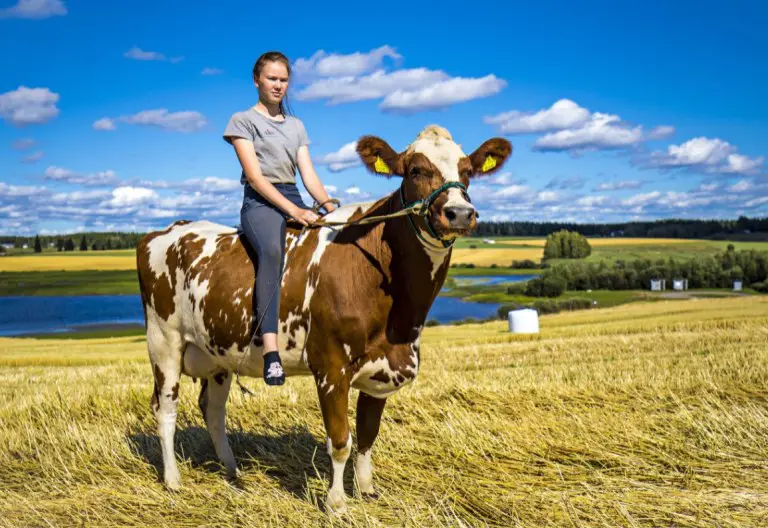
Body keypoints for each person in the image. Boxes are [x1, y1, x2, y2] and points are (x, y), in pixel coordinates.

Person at [223, 51, 336, 386]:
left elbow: (309, 177)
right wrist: (294, 212)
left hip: (293, 196)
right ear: (257, 80)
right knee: (273, 250)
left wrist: (331, 209)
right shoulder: (242, 121)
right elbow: (256, 178)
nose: (278, 85)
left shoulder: (297, 126)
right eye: (272, 78)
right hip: (260, 203)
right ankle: (271, 350)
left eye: (283, 80)